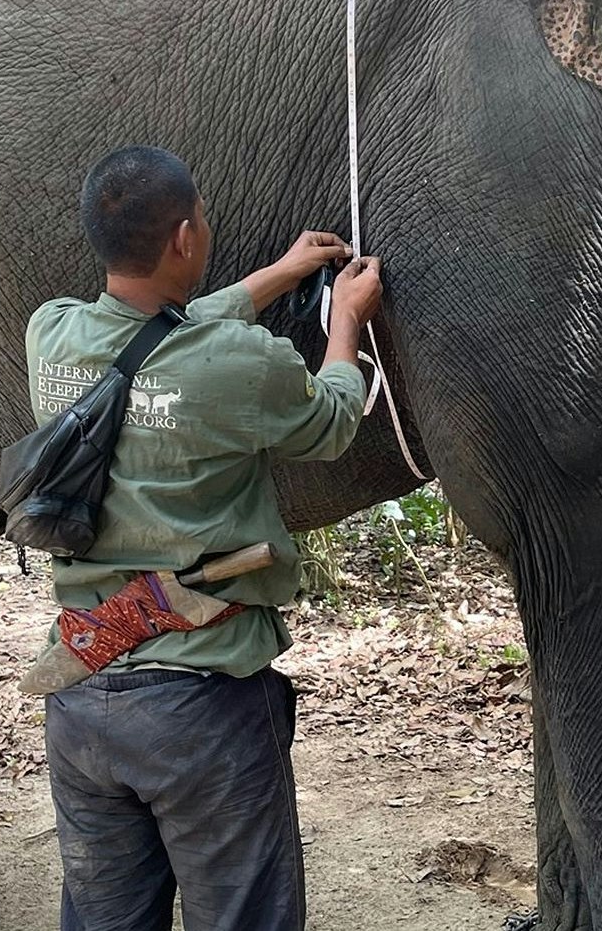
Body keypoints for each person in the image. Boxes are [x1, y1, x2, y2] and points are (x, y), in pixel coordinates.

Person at [24, 144, 382, 931]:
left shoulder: (50, 335)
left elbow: (153, 347)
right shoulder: (240, 366)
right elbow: (328, 419)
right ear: (186, 237)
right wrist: (346, 322)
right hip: (201, 707)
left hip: (82, 691)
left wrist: (276, 276)